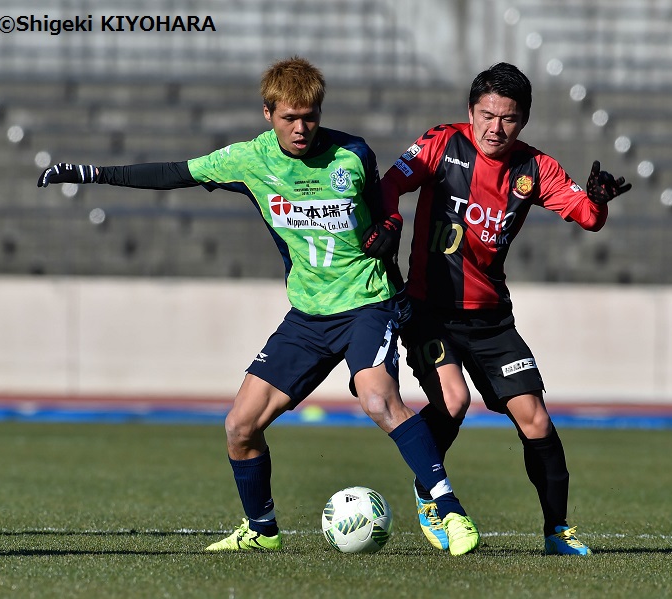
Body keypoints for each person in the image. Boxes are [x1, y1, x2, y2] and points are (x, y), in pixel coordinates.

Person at [37, 56, 481, 556]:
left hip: (365, 305)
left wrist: (388, 231)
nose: (301, 128)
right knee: (239, 425)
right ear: (267, 113)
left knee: (378, 400)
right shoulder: (249, 159)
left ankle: (447, 509)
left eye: (310, 116)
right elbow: (173, 173)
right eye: (290, 117)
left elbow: (385, 212)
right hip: (307, 316)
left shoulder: (352, 154)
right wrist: (91, 172)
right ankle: (261, 530)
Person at [380, 62, 631, 556]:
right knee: (453, 401)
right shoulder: (440, 142)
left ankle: (557, 531)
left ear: (525, 120)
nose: (496, 128)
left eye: (509, 119)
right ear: (470, 112)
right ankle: (430, 491)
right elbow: (391, 182)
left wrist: (598, 202)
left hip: (491, 317)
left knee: (535, 419)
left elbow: (586, 215)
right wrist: (389, 221)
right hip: (431, 308)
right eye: (487, 115)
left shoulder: (534, 168)